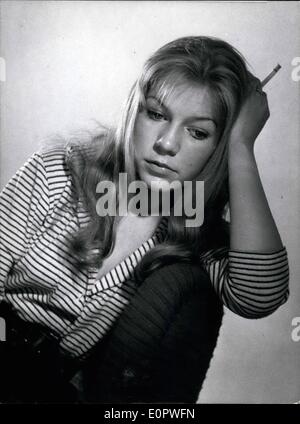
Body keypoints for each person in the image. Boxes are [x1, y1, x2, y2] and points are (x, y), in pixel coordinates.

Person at [0, 36, 289, 403]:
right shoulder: (60, 170)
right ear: (134, 110)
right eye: (156, 114)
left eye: (198, 132)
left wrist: (241, 147)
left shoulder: (194, 232)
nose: (167, 144)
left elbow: (259, 296)